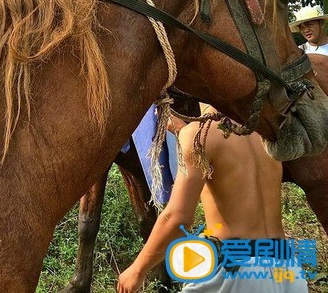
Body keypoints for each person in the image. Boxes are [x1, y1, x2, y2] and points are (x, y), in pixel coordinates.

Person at [116, 104, 307, 292]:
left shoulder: (201, 135)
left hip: (234, 272)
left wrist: (137, 269)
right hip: (287, 268)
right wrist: (184, 132)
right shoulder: (265, 132)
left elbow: (178, 218)